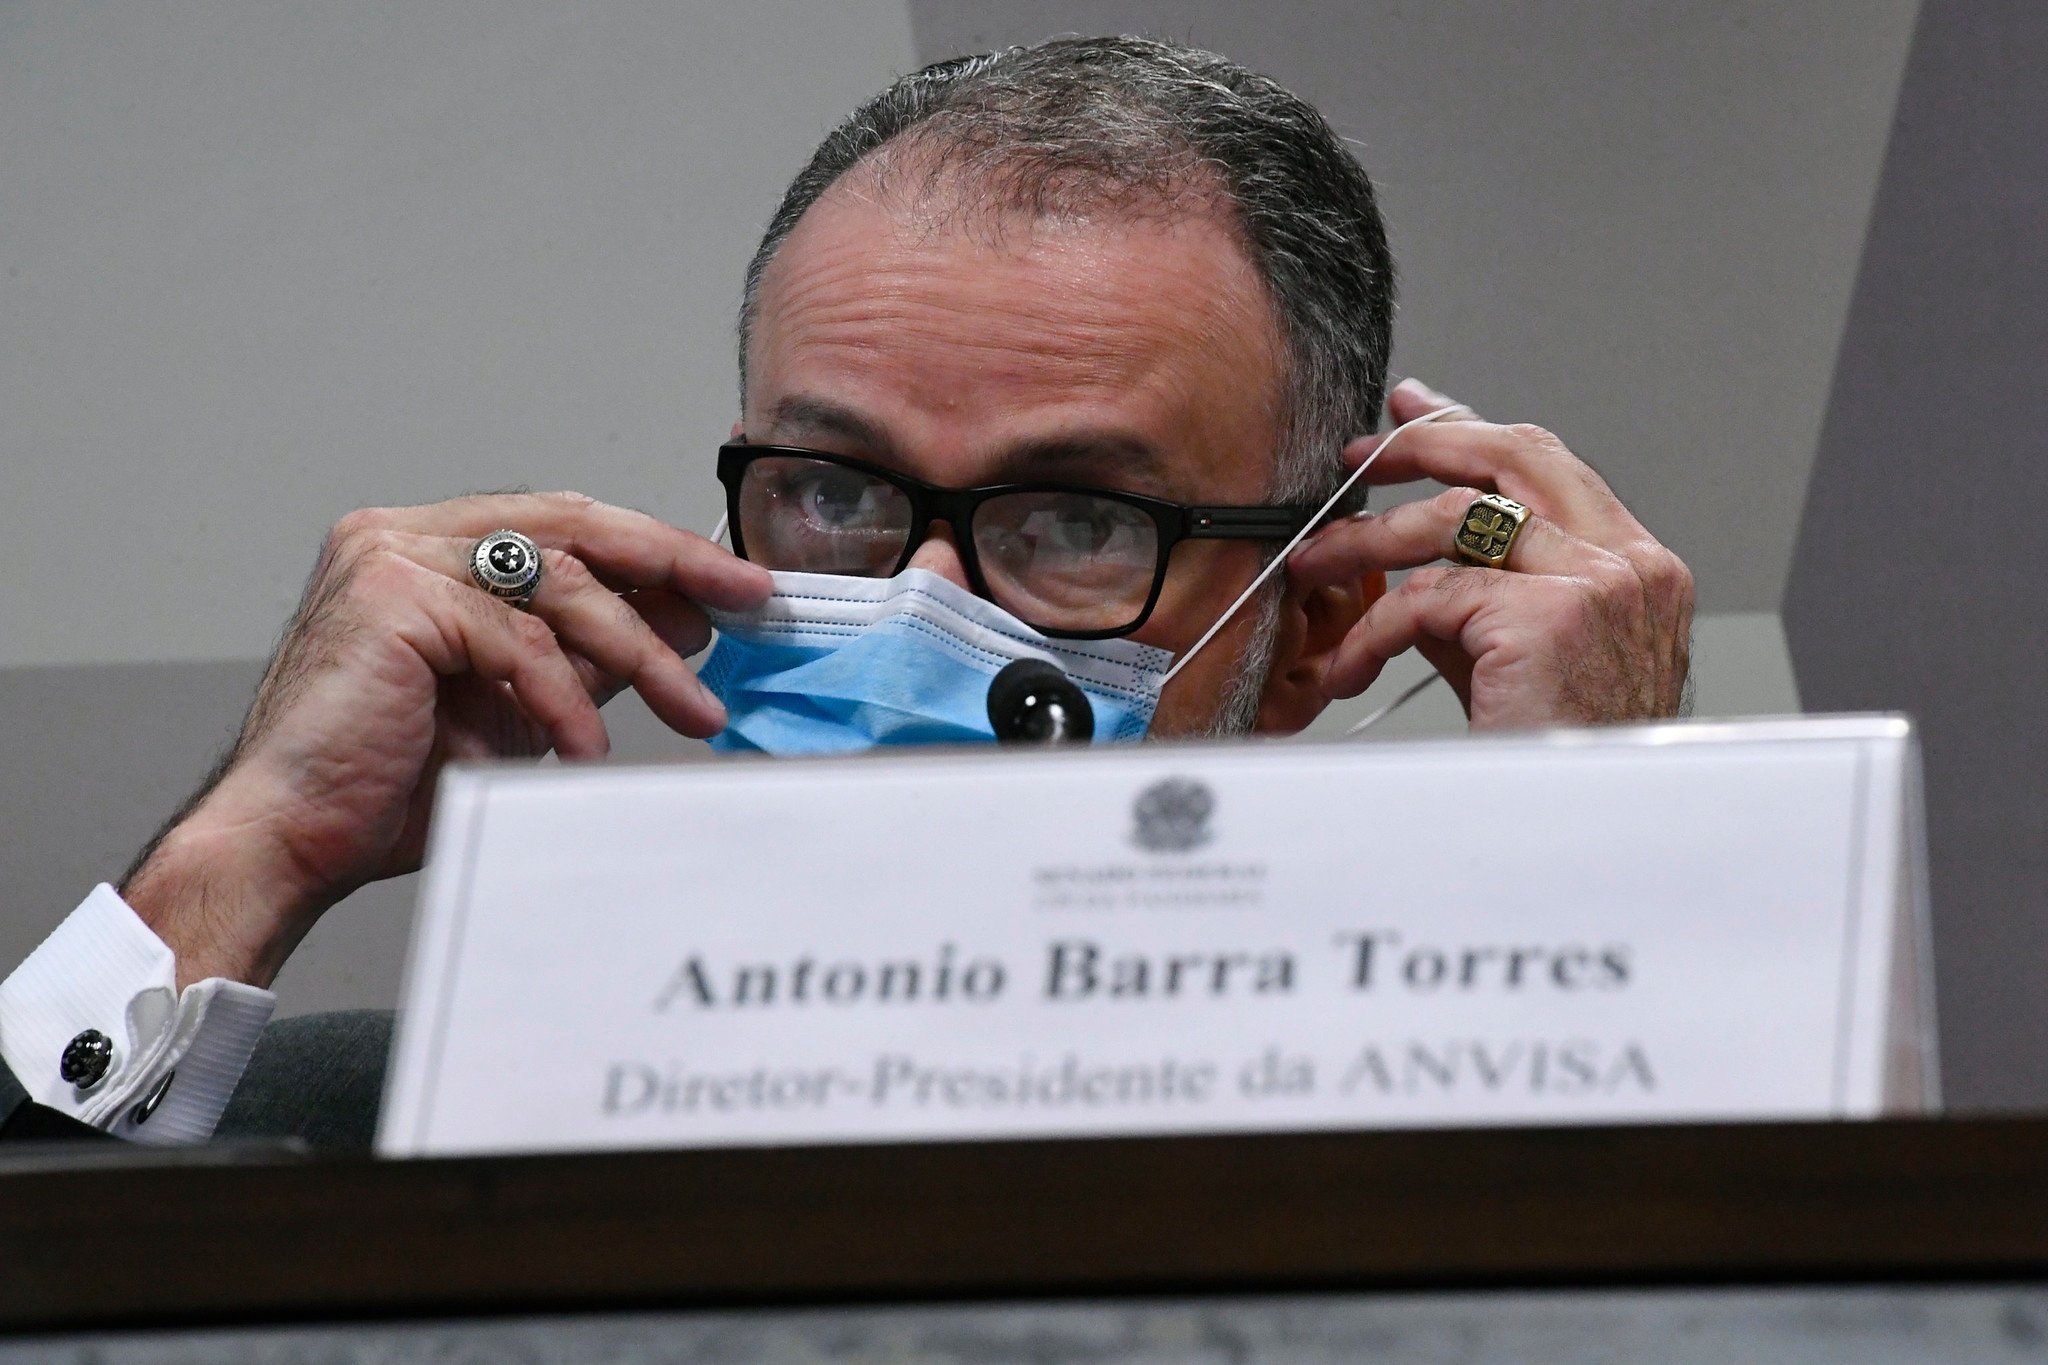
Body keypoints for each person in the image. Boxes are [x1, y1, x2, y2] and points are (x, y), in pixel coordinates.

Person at [0, 36, 1692, 1147]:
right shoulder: (372, 1139)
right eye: (834, 491)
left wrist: (1599, 856)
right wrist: (245, 853)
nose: (917, 606)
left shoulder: (1448, 1191)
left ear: (1312, 620)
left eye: (1076, 517)